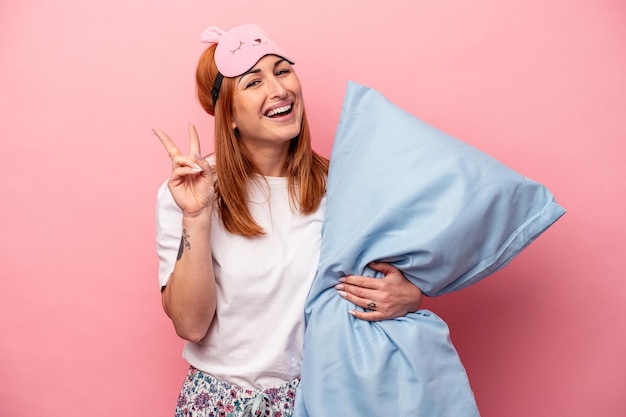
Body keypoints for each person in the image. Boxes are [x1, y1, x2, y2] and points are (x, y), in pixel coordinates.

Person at [154, 24, 424, 417]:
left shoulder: (342, 188)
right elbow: (191, 326)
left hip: (320, 398)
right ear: (227, 115)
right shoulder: (188, 192)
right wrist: (196, 215)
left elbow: (380, 280)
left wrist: (410, 296)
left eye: (282, 71)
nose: (279, 89)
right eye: (253, 82)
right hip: (217, 403)